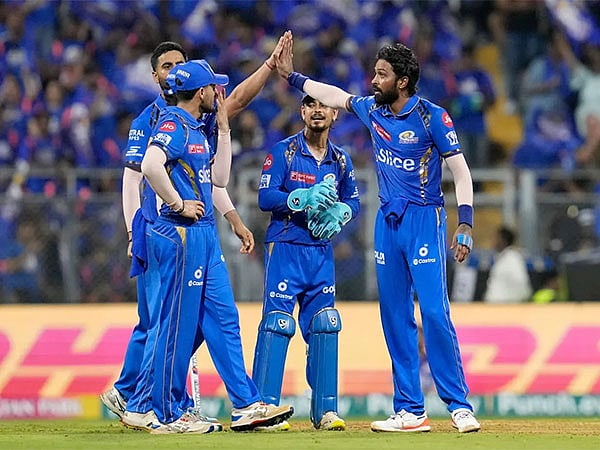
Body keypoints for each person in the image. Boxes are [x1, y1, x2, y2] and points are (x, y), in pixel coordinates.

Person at [277, 40, 480, 433]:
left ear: (402, 81)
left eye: (382, 74)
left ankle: (459, 406)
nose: (373, 80)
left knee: (434, 312)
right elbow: (334, 95)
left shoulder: (432, 117)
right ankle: (410, 410)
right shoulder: (373, 110)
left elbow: (461, 170)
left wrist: (466, 222)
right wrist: (292, 77)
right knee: (394, 316)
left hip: (424, 219)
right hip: (387, 224)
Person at [100, 36, 291, 423]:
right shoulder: (155, 120)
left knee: (217, 318)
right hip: (167, 230)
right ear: (156, 76)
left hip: (201, 230)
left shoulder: (200, 119)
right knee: (160, 322)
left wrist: (233, 218)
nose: (173, 71)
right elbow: (134, 177)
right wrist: (136, 230)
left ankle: (243, 404)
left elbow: (212, 178)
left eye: (179, 64)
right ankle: (140, 398)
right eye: (166, 66)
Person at [252, 95, 360, 431]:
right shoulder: (283, 151)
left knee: (325, 324)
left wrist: (342, 212)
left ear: (334, 114)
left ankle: (326, 411)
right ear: (302, 111)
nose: (317, 110)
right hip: (286, 247)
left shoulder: (341, 160)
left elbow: (353, 199)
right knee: (277, 324)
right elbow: (265, 197)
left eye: (324, 105)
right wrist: (302, 198)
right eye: (310, 104)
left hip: (320, 252)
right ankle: (264, 409)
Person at [483, 226, 532, 303]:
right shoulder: (501, 257)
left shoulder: (513, 258)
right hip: (495, 305)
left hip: (506, 305)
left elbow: (521, 283)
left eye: (496, 238)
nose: (493, 240)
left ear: (503, 240)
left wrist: (513, 303)